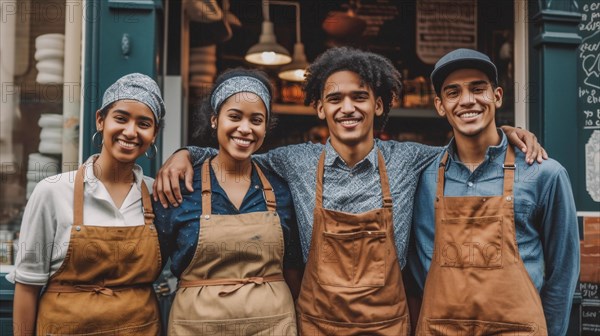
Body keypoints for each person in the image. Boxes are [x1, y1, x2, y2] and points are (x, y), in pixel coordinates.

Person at [154, 47, 545, 335]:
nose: (348, 108)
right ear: (320, 109)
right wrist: (187, 152)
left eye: (359, 97)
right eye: (335, 99)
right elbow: (239, 146)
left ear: (379, 103)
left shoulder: (410, 159)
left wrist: (507, 133)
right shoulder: (295, 161)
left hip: (388, 327)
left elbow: (469, 141)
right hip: (317, 326)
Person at [409, 48, 579, 336]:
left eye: (478, 89)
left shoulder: (544, 174)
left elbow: (563, 274)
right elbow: (414, 270)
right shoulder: (422, 177)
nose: (467, 101)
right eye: (453, 92)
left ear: (497, 96)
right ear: (440, 105)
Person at [9, 73, 166, 335]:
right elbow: (27, 286)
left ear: (154, 134)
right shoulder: (52, 191)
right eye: (121, 118)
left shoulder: (158, 194)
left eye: (144, 123)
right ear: (100, 120)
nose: (130, 131)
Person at [153, 68, 303, 335]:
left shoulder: (281, 188)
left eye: (256, 120)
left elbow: (292, 267)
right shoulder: (182, 186)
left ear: (265, 128)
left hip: (273, 326)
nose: (245, 128)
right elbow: (152, 265)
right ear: (214, 120)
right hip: (197, 327)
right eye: (234, 116)